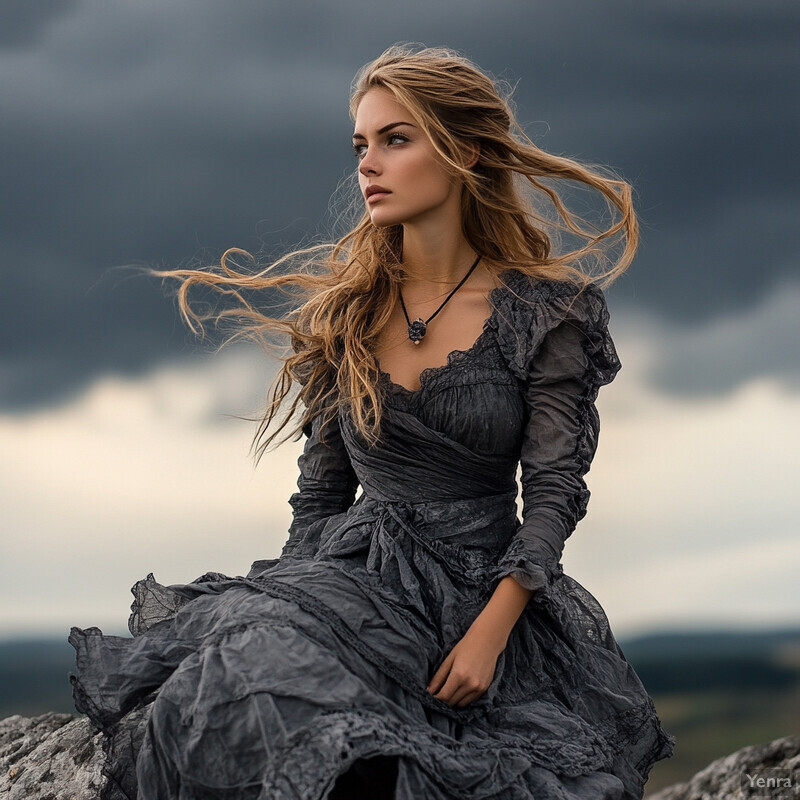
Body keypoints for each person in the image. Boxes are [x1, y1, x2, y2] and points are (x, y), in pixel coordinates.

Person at [68, 43, 675, 799]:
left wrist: (492, 632)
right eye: (361, 145)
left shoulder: (547, 312)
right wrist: (283, 607)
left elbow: (553, 494)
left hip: (480, 593)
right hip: (354, 581)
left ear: (468, 150)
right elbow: (319, 500)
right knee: (237, 686)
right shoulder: (344, 315)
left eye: (396, 139)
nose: (368, 165)